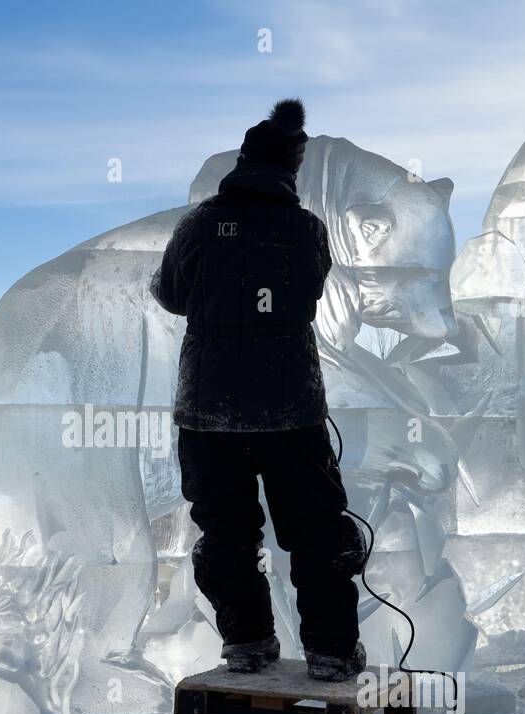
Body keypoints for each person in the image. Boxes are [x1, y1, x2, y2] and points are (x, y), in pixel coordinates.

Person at [150, 98, 367, 680]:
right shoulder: (306, 231)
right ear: (290, 170)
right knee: (317, 530)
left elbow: (170, 294)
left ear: (242, 160)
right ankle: (330, 651)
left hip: (207, 411)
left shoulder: (199, 223)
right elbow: (308, 295)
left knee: (225, 531)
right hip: (290, 409)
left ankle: (246, 643)